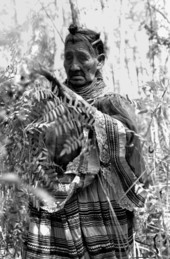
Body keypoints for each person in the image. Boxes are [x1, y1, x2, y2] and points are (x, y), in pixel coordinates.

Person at [22, 24, 146, 259]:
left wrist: (89, 120)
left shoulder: (112, 104)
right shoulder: (48, 106)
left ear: (99, 61)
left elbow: (132, 146)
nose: (74, 66)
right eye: (68, 58)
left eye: (83, 58)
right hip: (56, 217)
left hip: (104, 214)